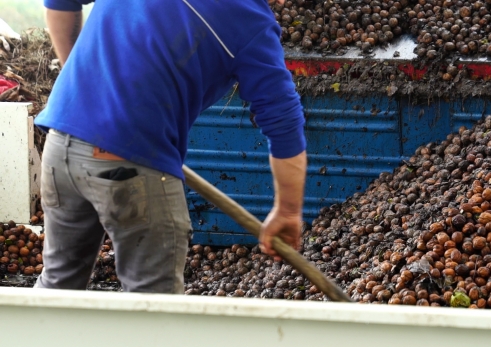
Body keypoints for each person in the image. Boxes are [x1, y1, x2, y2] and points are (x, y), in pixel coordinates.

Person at [34, 0, 307, 294]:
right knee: (154, 307)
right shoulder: (249, 19)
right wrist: (288, 211)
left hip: (60, 142)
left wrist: (84, 97)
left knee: (56, 287)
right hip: (131, 169)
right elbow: (284, 124)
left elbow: (59, 3)